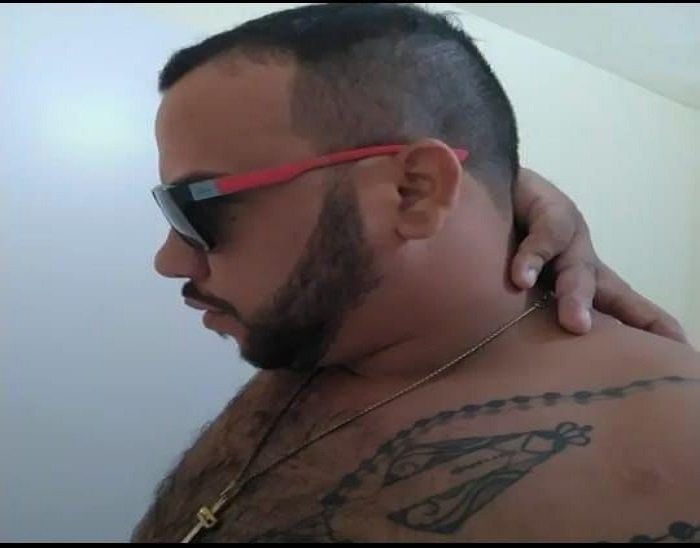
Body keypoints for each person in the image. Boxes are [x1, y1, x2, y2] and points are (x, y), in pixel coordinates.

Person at [134, 3, 697, 542]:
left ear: (415, 191)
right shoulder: (332, 330)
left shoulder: (671, 448)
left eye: (198, 208)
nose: (170, 261)